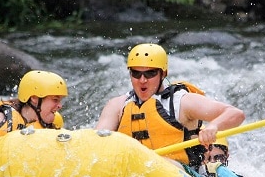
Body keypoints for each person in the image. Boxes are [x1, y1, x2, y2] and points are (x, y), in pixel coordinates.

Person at [95, 43, 245, 167]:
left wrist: (213, 126)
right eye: (136, 73)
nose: (142, 80)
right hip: (133, 175)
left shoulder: (183, 102)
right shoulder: (117, 105)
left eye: (150, 73)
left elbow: (236, 114)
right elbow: (97, 142)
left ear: (163, 74)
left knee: (163, 163)